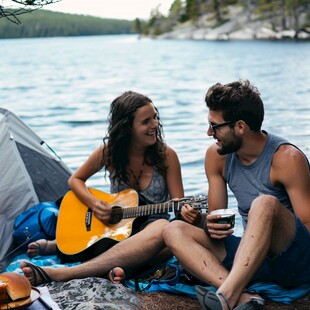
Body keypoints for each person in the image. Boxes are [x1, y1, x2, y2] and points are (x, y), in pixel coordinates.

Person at [21, 91, 200, 285]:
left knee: (166, 231)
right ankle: (79, 254)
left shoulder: (167, 156)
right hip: (117, 231)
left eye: (155, 117)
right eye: (146, 121)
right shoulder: (110, 152)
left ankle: (68, 268)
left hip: (151, 235)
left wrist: (186, 213)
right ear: (127, 127)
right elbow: (75, 180)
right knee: (113, 242)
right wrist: (95, 204)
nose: (155, 125)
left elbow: (178, 205)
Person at [163, 80, 310, 310]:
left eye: (215, 126)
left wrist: (265, 234)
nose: (209, 132)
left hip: (290, 259)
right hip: (252, 259)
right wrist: (201, 220)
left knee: (263, 203)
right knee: (172, 229)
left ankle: (226, 296)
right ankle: (239, 294)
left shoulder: (286, 158)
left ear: (240, 127)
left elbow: (306, 228)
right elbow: (215, 222)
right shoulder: (217, 156)